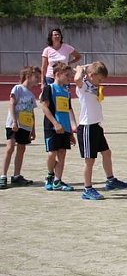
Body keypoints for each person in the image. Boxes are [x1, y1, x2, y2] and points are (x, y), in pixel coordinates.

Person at [73, 62, 127, 200]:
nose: (100, 83)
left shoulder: (92, 84)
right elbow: (76, 79)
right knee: (90, 160)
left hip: (96, 126)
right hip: (87, 127)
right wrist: (81, 69)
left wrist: (88, 67)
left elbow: (94, 66)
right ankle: (87, 189)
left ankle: (111, 180)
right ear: (92, 75)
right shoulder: (83, 86)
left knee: (106, 152)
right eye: (99, 79)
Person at [2, 66, 41, 189]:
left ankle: (16, 175)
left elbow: (31, 113)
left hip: (26, 126)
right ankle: (3, 176)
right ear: (28, 76)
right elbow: (12, 104)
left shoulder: (31, 95)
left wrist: (33, 130)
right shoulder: (17, 88)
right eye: (36, 77)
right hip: (14, 124)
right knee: (10, 148)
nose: (38, 79)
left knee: (21, 148)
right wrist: (14, 121)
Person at [40, 63, 77, 192]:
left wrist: (71, 131)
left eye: (70, 76)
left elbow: (68, 110)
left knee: (62, 153)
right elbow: (44, 107)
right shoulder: (49, 88)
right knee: (52, 153)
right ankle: (50, 175)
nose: (69, 78)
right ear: (57, 74)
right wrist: (55, 123)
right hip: (52, 127)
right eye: (67, 75)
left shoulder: (66, 92)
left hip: (65, 128)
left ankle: (57, 181)